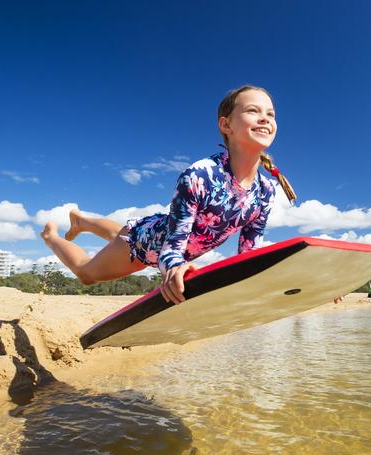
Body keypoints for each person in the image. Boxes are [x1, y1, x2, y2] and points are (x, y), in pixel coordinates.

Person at [41, 85, 296, 304]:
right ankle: (51, 236)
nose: (265, 118)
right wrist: (175, 266)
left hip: (156, 232)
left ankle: (82, 221)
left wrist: (303, 279)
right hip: (145, 246)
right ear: (225, 124)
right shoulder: (200, 176)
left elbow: (248, 254)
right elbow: (172, 248)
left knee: (120, 232)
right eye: (253, 110)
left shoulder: (265, 191)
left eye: (270, 114)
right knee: (87, 273)